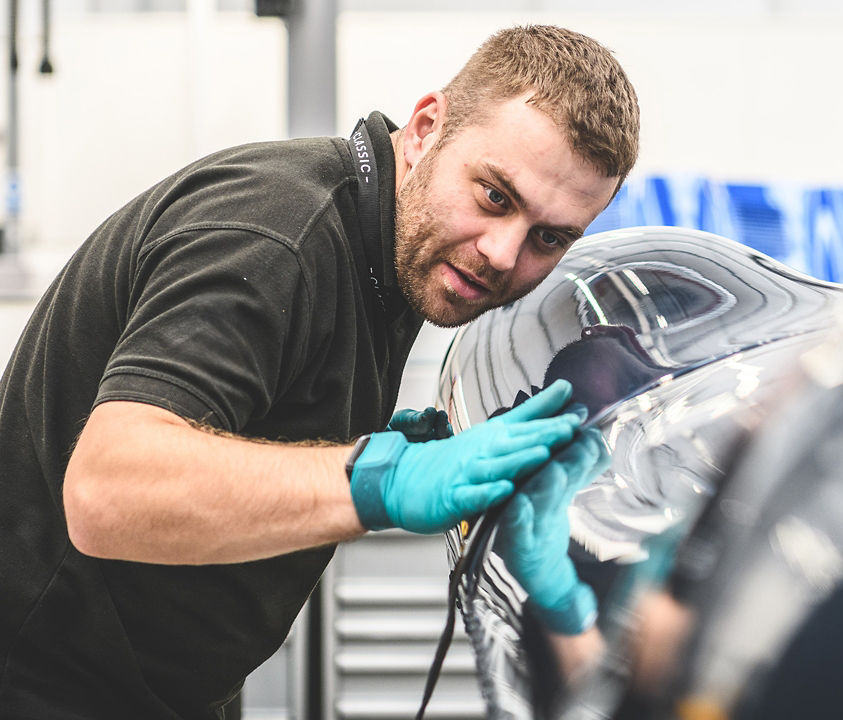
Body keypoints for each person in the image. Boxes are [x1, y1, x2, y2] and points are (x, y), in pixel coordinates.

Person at [0, 24, 638, 718]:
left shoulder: (387, 253)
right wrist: (377, 478)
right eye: (494, 196)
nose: (504, 253)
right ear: (427, 128)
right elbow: (107, 491)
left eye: (549, 238)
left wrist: (359, 439)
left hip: (163, 687)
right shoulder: (279, 239)